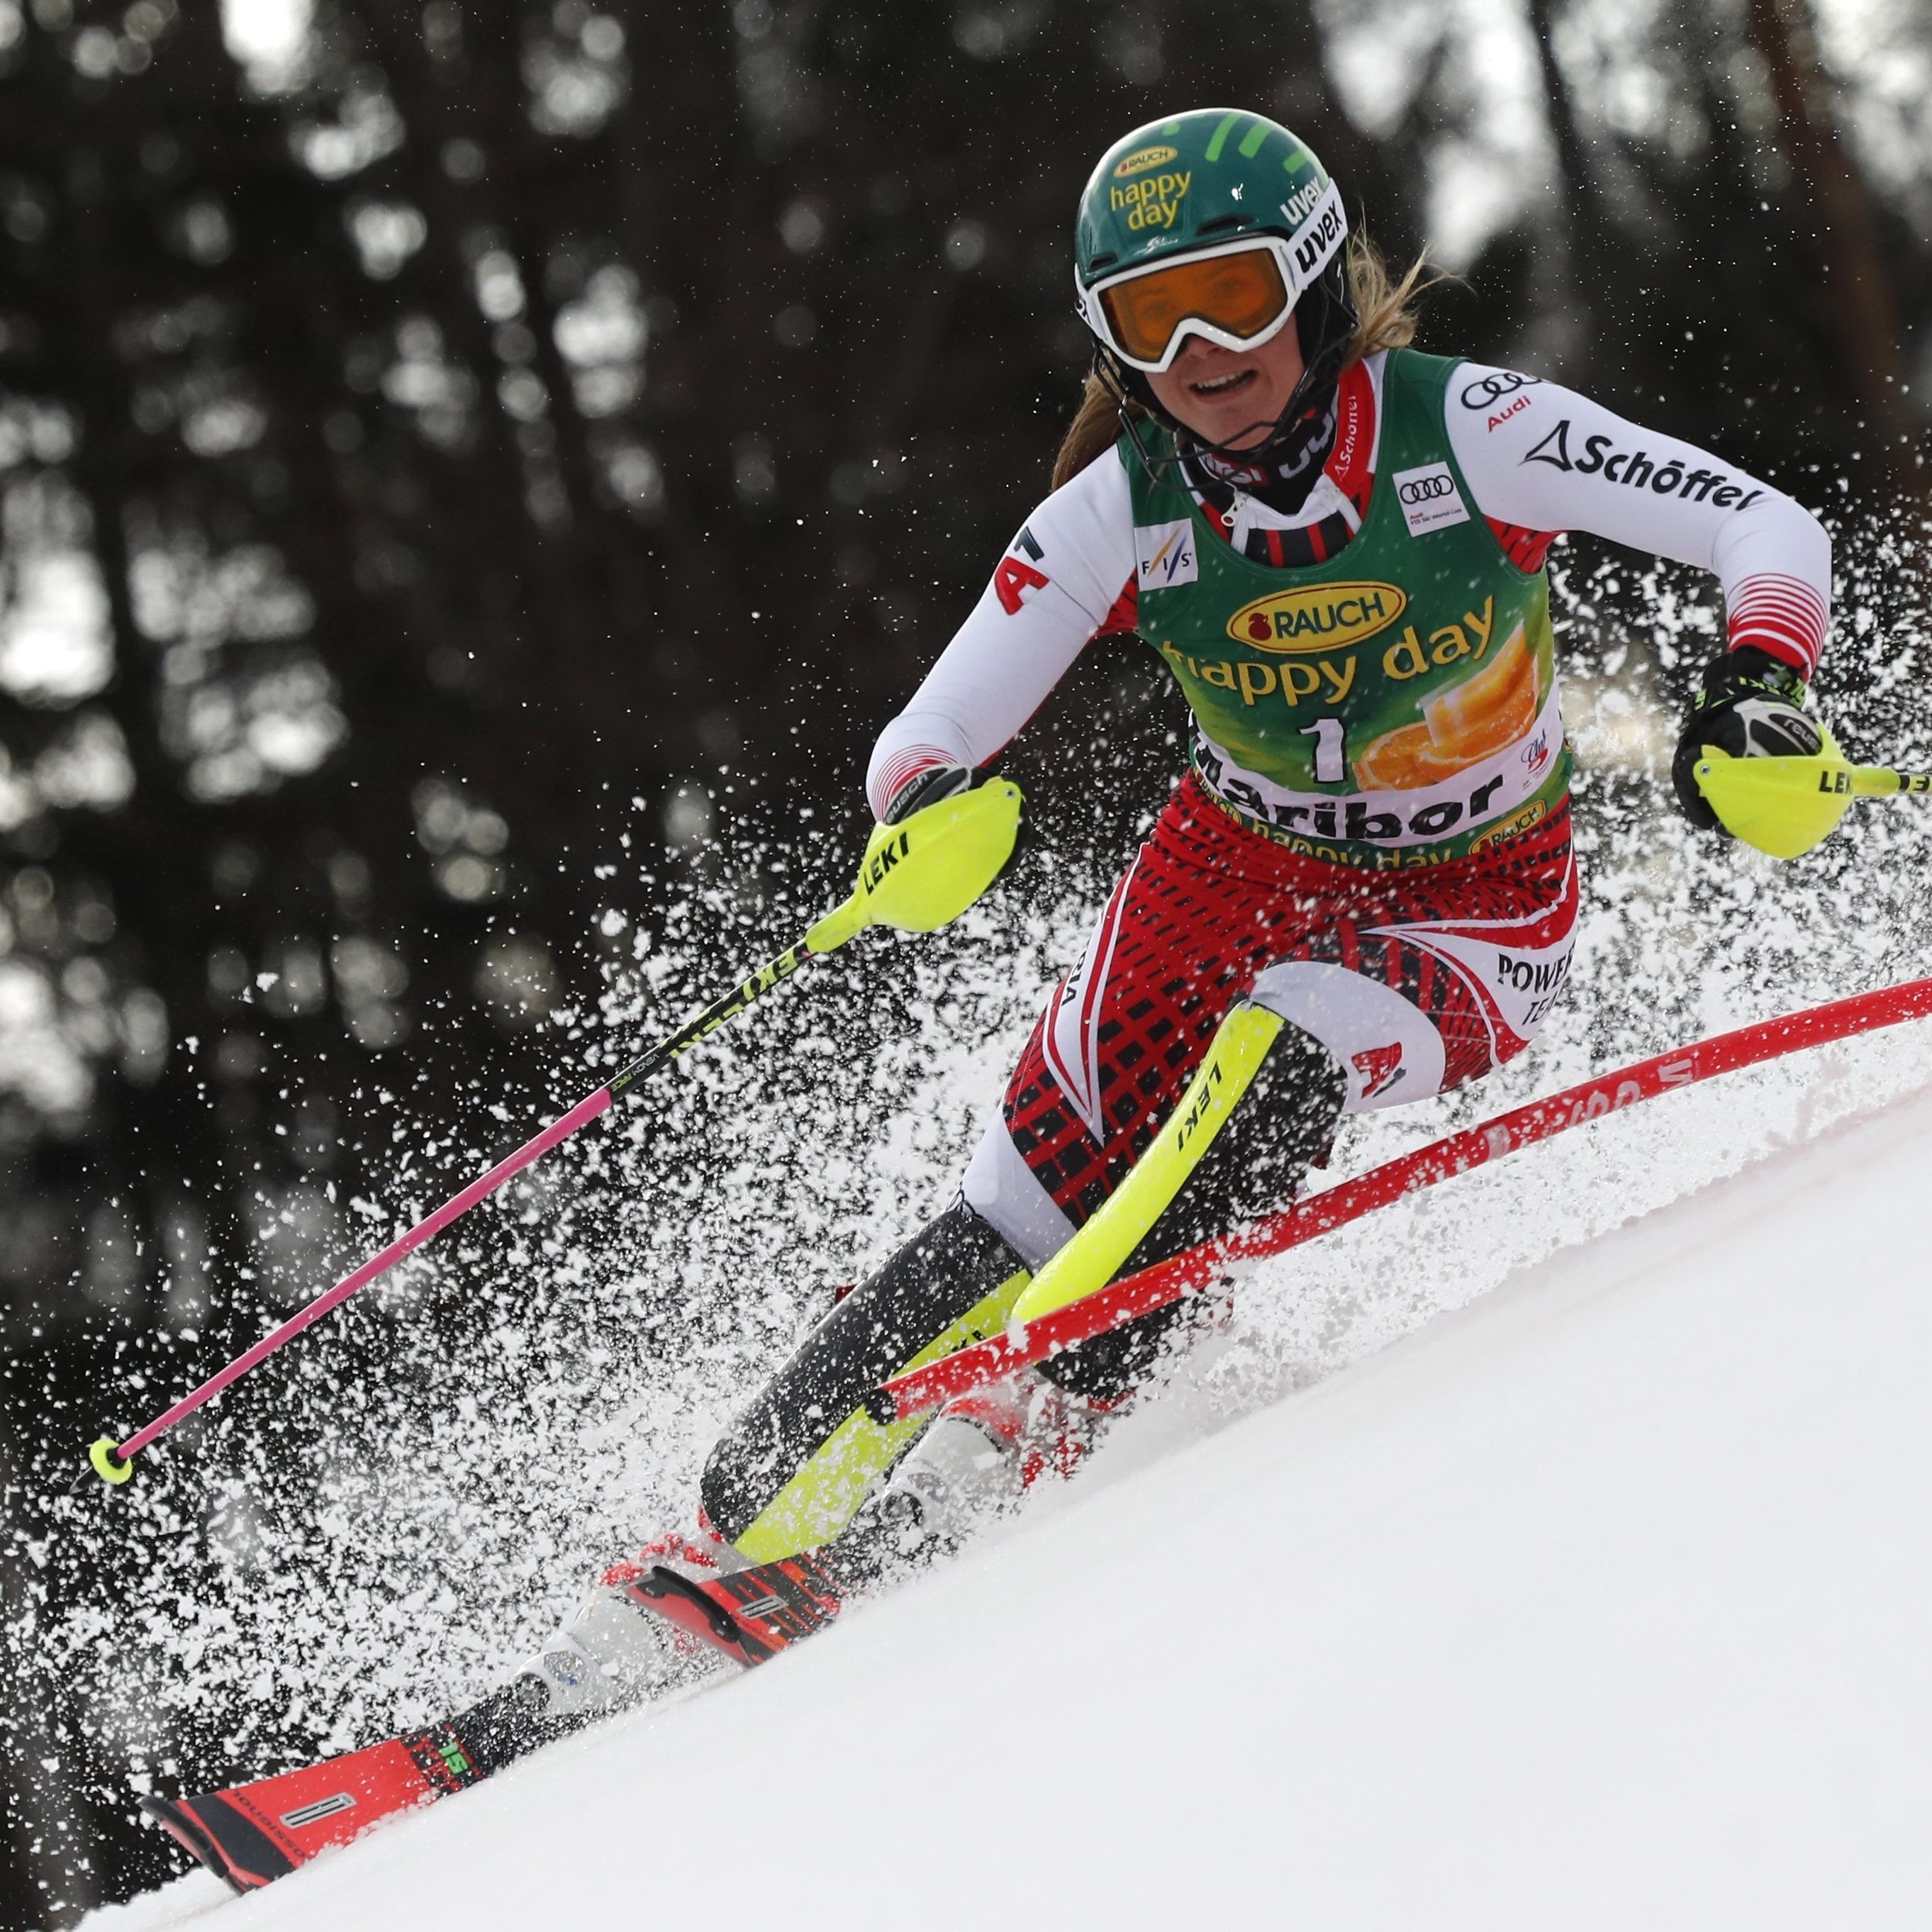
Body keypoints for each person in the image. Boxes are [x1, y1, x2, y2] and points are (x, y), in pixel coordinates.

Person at [146, 107, 1838, 1887]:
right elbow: (942, 716)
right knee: (1017, 1200)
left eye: (1237, 302)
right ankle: (721, 1534)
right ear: (1109, 342)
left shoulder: (1471, 432)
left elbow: (1755, 524)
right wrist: (924, 807)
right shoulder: (1124, 510)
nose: (1205, 361)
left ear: (1321, 288)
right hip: (1228, 866)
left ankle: (1037, 1413)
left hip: (1471, 906)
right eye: (1153, 323)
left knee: (1277, 1053)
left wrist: (1761, 686)